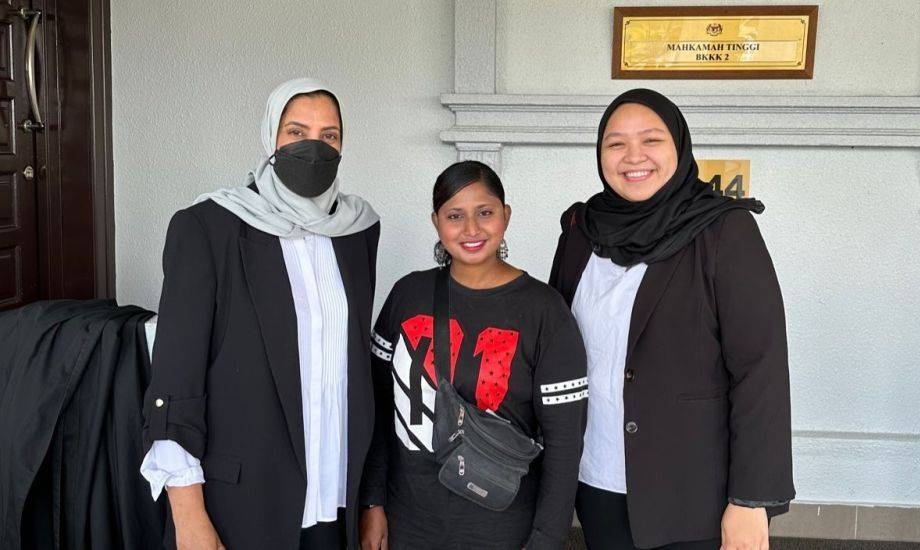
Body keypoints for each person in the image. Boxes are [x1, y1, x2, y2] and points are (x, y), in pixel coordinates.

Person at [548, 88, 795, 550]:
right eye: (615, 143)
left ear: (678, 147)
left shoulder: (724, 231)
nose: (632, 156)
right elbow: (554, 349)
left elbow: (760, 369)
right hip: (597, 478)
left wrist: (751, 500)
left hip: (691, 495)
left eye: (651, 140)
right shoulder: (582, 231)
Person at [140, 78, 380, 550]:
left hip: (336, 502)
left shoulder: (356, 231)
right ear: (270, 138)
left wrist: (371, 498)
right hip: (242, 507)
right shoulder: (208, 227)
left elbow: (358, 372)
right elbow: (175, 380)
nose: (313, 147)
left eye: (329, 135)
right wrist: (189, 518)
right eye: (296, 131)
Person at [360, 161, 587, 550]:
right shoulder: (407, 296)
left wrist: (547, 539)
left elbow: (565, 446)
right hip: (407, 522)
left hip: (503, 527)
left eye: (485, 212)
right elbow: (378, 411)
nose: (471, 230)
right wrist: (372, 501)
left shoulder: (545, 312)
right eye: (454, 215)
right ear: (436, 222)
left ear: (506, 215)